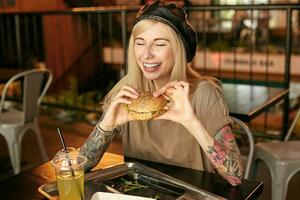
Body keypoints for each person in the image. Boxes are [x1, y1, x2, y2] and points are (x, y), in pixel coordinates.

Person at [79, 0, 243, 186]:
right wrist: (107, 125)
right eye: (140, 43)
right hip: (139, 192)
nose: (146, 54)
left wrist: (191, 122)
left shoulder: (203, 94)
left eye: (159, 44)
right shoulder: (128, 90)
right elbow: (80, 168)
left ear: (178, 50)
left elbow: (235, 177)